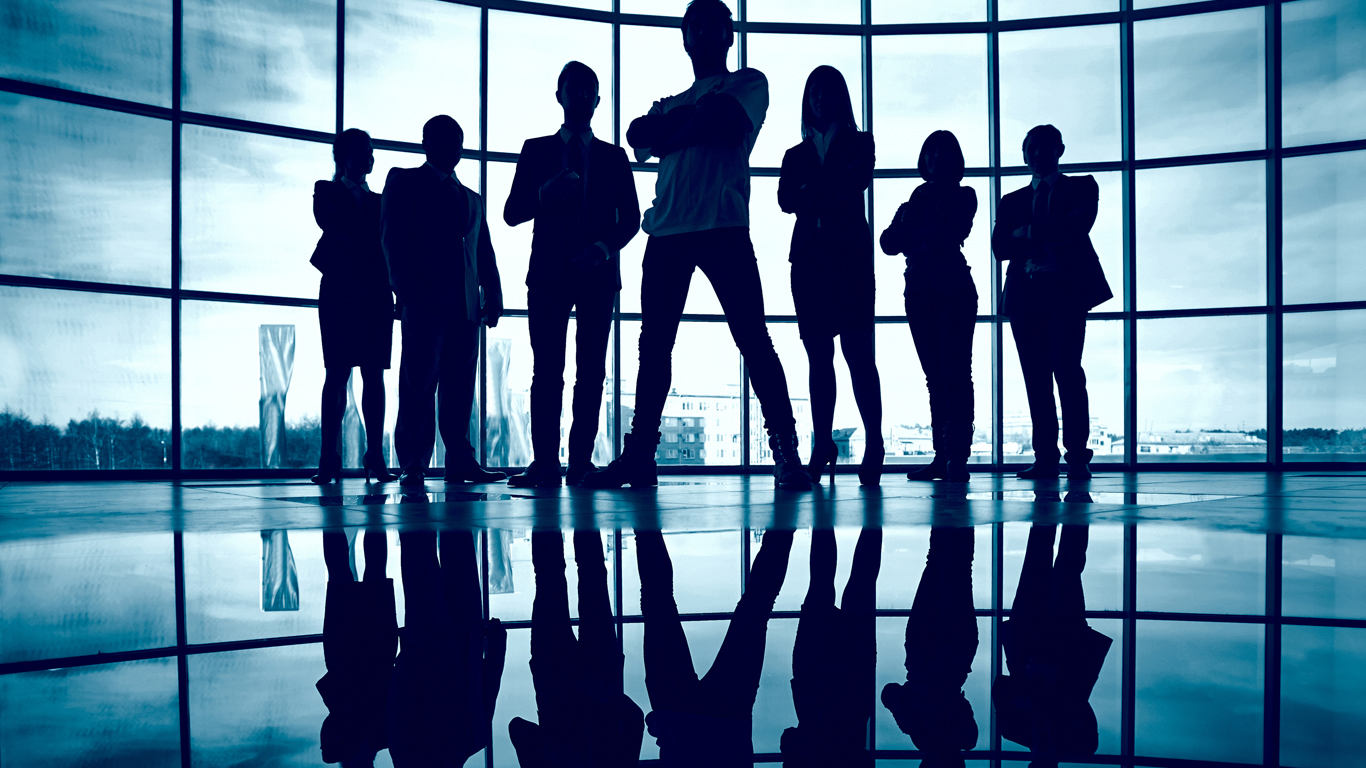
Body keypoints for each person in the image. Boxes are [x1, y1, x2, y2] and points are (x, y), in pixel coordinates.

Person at [584, 0, 811, 490]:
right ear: (685, 38)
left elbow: (722, 124)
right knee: (655, 347)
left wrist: (673, 132)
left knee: (752, 339)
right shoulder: (674, 103)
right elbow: (638, 134)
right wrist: (690, 122)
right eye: (696, 26)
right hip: (668, 231)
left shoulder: (748, 83)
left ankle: (786, 452)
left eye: (715, 24)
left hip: (722, 226)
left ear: (729, 36)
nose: (705, 32)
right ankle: (641, 455)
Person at [504, 62, 641, 488]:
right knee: (547, 369)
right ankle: (546, 462)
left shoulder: (615, 158)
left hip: (596, 275)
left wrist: (601, 251)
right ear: (559, 95)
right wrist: (545, 192)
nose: (582, 96)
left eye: (589, 91)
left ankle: (579, 462)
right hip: (547, 274)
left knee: (591, 371)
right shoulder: (535, 150)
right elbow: (511, 212)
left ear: (598, 101)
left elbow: (632, 219)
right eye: (574, 89)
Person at [381, 115, 506, 487]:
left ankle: (459, 461)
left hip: (465, 306)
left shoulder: (472, 199)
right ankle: (414, 463)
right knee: (418, 382)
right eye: (442, 139)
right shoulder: (404, 181)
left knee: (459, 387)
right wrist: (405, 291)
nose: (451, 147)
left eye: (457, 141)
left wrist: (493, 292)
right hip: (424, 301)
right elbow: (392, 239)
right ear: (425, 142)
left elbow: (483, 250)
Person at [777, 66, 883, 486]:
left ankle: (873, 439)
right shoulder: (793, 155)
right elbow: (786, 200)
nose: (819, 97)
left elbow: (855, 181)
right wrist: (827, 185)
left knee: (858, 356)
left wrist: (811, 191)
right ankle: (823, 442)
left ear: (840, 96)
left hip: (850, 264)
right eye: (813, 92)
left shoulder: (861, 141)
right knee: (819, 359)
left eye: (827, 91)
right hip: (808, 265)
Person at [990, 125, 1112, 480]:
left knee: (1068, 372)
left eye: (1044, 148)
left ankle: (1076, 456)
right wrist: (1050, 232)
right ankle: (1046, 456)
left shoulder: (1082, 187)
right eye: (1031, 149)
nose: (1038, 155)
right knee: (1037, 378)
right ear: (1025, 154)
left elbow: (1077, 229)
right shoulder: (1011, 200)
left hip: (1066, 295)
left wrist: (1024, 232)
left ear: (1060, 149)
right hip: (1025, 297)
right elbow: (1000, 249)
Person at [636, 527, 794, 767]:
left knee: (755, 608)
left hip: (728, 718)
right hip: (679, 717)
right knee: (658, 603)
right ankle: (644, 521)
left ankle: (784, 526)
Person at [880, 131, 978, 483]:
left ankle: (956, 458)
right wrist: (923, 235)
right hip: (920, 293)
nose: (935, 157)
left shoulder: (964, 195)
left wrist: (913, 235)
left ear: (954, 159)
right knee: (936, 378)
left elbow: (949, 233)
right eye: (930, 152)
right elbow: (888, 242)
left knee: (954, 374)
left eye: (942, 152)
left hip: (952, 291)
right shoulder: (915, 199)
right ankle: (945, 456)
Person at [508, 531, 645, 767]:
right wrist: (554, 751)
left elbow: (634, 720)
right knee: (555, 578)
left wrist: (605, 693)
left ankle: (578, 511)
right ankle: (548, 505)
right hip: (559, 678)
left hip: (590, 674)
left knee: (587, 577)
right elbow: (519, 729)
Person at [309, 129, 396, 485]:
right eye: (363, 151)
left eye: (372, 151)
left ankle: (373, 456)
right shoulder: (326, 190)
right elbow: (334, 225)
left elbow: (369, 240)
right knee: (338, 373)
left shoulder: (379, 202)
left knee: (373, 375)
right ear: (342, 156)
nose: (369, 157)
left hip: (372, 293)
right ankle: (329, 458)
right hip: (343, 294)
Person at [992, 524, 1112, 766]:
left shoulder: (1077, 743)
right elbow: (1002, 689)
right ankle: (1050, 502)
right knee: (1050, 564)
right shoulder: (1015, 730)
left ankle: (1068, 504)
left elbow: (1000, 688)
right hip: (1050, 639)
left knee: (1052, 565)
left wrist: (1045, 694)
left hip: (1051, 639)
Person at [387, 529, 507, 767]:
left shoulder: (473, 740)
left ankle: (451, 498)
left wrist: (496, 647)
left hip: (461, 638)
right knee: (421, 561)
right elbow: (397, 701)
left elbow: (488, 687)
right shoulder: (405, 752)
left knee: (455, 551)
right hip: (427, 642)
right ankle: (416, 501)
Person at [780, 528, 881, 767]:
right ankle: (824, 510)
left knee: (860, 585)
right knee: (823, 584)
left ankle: (870, 514)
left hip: (852, 693)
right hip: (814, 685)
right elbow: (789, 739)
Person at [881, 525, 979, 768]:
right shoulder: (920, 734)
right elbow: (891, 693)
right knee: (939, 563)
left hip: (952, 653)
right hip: (925, 651)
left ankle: (955, 503)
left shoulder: (961, 738)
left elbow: (892, 694)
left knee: (956, 568)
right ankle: (947, 504)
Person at [316, 526, 397, 766]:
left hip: (376, 654)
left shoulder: (385, 734)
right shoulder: (335, 749)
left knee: (372, 572)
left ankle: (373, 510)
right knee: (341, 574)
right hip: (346, 656)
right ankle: (334, 513)